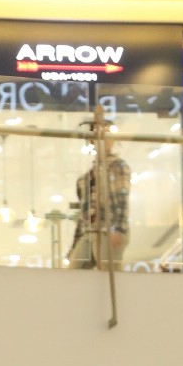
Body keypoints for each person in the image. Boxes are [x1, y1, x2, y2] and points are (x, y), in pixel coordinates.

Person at [67, 115, 130, 270]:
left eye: (108, 135)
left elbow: (121, 200)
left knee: (110, 274)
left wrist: (118, 229)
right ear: (92, 140)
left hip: (108, 228)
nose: (105, 139)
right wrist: (74, 245)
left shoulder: (117, 166)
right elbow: (83, 213)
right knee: (73, 274)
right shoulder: (85, 179)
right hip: (89, 231)